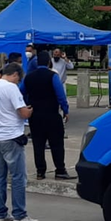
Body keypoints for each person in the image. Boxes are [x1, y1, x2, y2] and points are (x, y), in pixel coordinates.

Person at [0, 63, 39, 221]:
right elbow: (23, 113)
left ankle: (1, 213)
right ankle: (20, 215)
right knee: (18, 177)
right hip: (11, 136)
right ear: (15, 74)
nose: (18, 81)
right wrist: (30, 110)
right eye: (18, 79)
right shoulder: (11, 88)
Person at [22, 51, 71, 180]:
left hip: (35, 115)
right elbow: (60, 95)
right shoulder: (53, 76)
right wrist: (65, 110)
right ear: (49, 62)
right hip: (51, 114)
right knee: (57, 143)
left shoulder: (28, 77)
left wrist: (27, 104)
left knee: (38, 144)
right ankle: (60, 170)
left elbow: (21, 92)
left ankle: (40, 171)